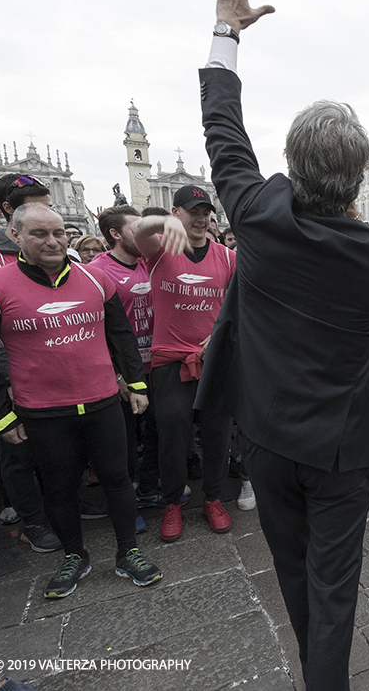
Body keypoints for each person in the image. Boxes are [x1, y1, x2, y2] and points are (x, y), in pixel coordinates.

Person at [192, 0, 369, 688]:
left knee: (294, 575)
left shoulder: (255, 216)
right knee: (334, 587)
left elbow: (222, 131)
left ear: (290, 164)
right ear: (358, 179)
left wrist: (227, 30)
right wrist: (351, 216)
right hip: (341, 449)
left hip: (266, 437)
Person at [0, 204, 161, 598]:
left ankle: (129, 552)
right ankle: (75, 555)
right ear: (15, 234)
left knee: (118, 479)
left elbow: (121, 335)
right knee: (58, 487)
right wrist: (2, 419)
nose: (53, 241)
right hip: (43, 411)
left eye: (59, 232)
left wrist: (137, 385)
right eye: (40, 234)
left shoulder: (95, 279)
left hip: (103, 402)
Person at [132, 183, 237, 542]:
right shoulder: (162, 249)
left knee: (217, 433)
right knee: (172, 435)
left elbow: (245, 301)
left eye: (206, 212)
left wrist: (222, 332)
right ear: (176, 213)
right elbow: (136, 231)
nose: (201, 218)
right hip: (171, 360)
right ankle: (173, 502)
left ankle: (213, 498)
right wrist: (159, 222)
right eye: (193, 211)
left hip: (213, 360)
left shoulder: (225, 257)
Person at [0, 174, 60, 552]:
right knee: (19, 452)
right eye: (37, 204)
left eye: (48, 203)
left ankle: (61, 508)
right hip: (14, 375)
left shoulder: (59, 247)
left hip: (57, 371)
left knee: (59, 449)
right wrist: (2, 380)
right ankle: (33, 519)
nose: (47, 211)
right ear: (10, 212)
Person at [88, 205, 162, 528]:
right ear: (115, 234)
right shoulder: (97, 270)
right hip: (122, 374)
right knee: (126, 444)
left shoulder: (152, 263)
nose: (146, 235)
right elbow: (97, 328)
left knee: (158, 431)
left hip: (156, 366)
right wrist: (116, 374)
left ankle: (149, 489)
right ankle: (126, 504)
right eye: (138, 228)